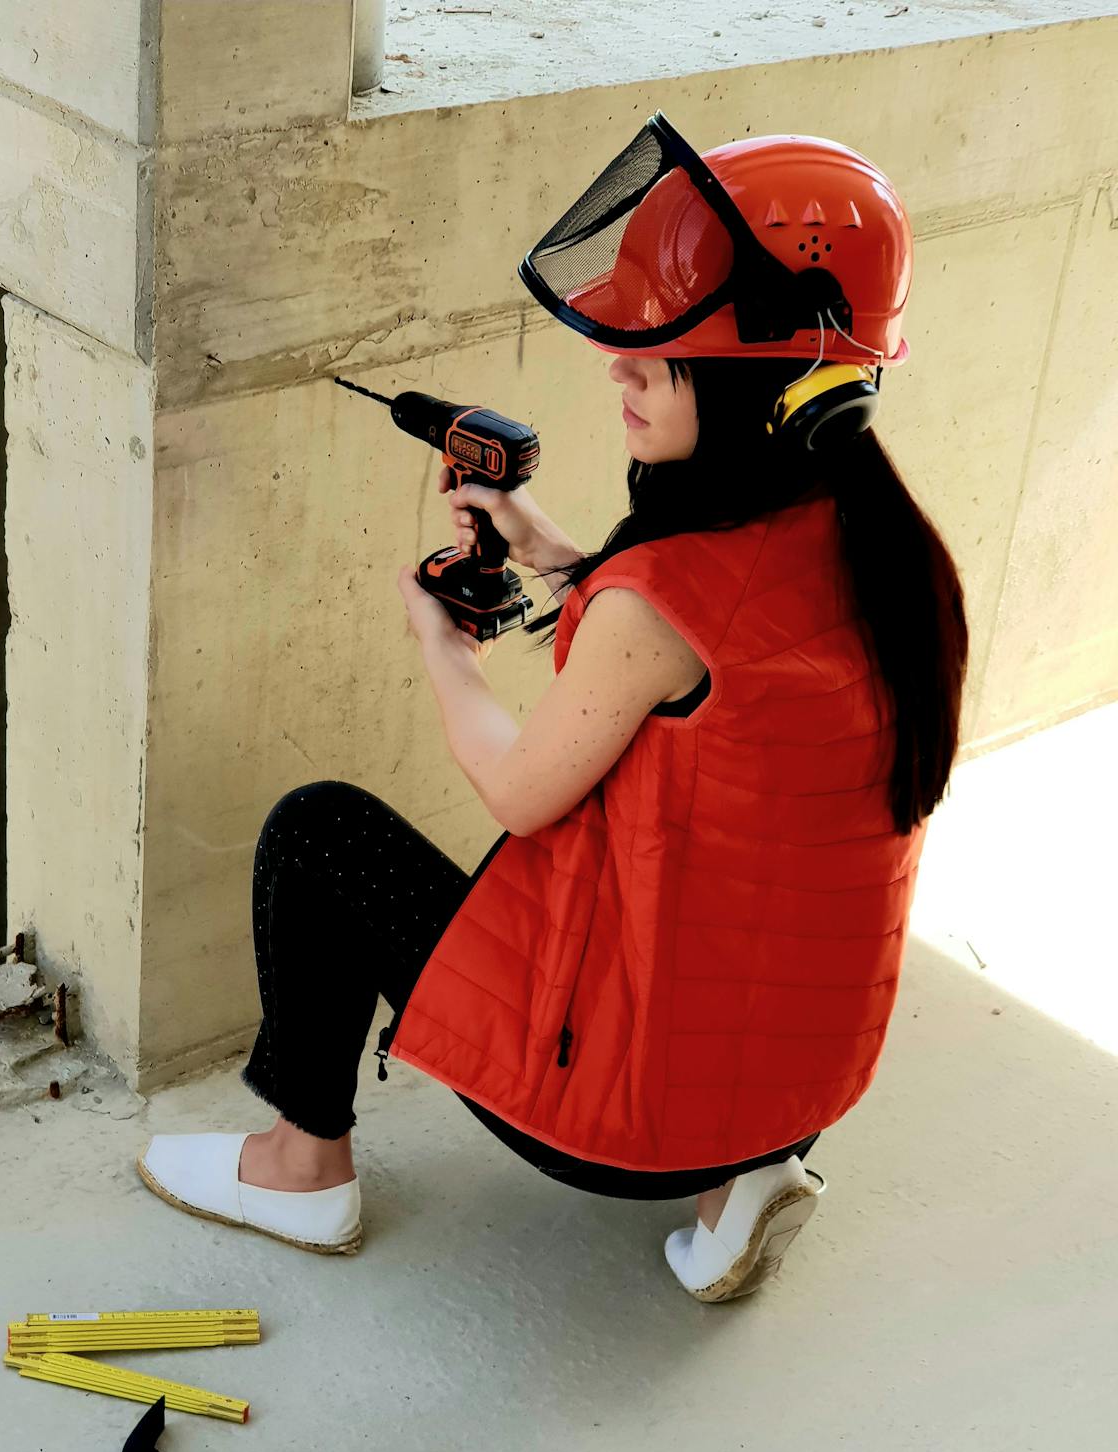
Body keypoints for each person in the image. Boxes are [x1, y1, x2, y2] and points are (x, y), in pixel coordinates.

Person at [139, 119, 968, 1302]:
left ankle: (298, 1168)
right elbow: (693, 661)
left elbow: (520, 791)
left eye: (658, 352)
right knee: (734, 874)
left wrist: (443, 648)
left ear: (760, 383)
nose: (617, 369)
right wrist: (555, 556)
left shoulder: (654, 604)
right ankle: (741, 1187)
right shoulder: (887, 555)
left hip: (624, 1122)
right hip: (797, 1082)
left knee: (318, 833)